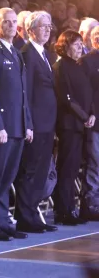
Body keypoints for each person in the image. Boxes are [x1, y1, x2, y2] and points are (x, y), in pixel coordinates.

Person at [0, 8, 32, 241]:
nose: (11, 26)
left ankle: (2, 220)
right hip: (2, 128)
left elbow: (22, 94)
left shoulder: (15, 52)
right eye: (6, 22)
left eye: (14, 22)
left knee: (7, 178)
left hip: (17, 126)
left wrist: (27, 123)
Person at [15, 11, 58, 233]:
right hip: (35, 124)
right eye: (43, 26)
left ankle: (33, 213)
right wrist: (28, 123)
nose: (48, 30)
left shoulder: (44, 54)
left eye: (49, 26)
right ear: (30, 30)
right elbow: (26, 93)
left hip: (48, 124)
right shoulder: (27, 54)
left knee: (41, 172)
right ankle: (25, 216)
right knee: (30, 171)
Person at [52, 30, 92, 225]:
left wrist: (91, 113)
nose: (80, 48)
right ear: (65, 45)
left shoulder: (78, 66)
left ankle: (70, 208)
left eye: (81, 44)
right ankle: (63, 210)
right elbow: (67, 98)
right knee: (67, 168)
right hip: (69, 124)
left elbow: (87, 93)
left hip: (81, 124)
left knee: (74, 167)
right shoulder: (60, 67)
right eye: (76, 44)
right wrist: (85, 116)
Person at [80, 26, 99, 220]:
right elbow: (85, 93)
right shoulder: (86, 61)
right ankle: (90, 204)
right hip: (95, 122)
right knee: (95, 164)